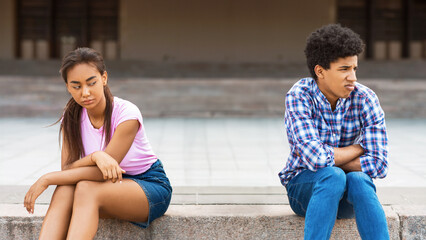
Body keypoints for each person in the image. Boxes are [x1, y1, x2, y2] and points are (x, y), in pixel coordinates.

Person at [24, 47, 172, 239]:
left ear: (104, 78)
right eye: (76, 86)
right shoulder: (71, 118)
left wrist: (47, 178)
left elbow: (103, 173)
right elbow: (68, 171)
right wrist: (96, 156)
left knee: (85, 188)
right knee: (65, 189)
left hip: (148, 185)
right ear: (68, 87)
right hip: (109, 186)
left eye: (91, 82)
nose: (85, 92)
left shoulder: (127, 114)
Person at [278, 24, 389, 239]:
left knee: (359, 180)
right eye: (344, 69)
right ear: (320, 71)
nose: (353, 77)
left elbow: (379, 164)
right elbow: (316, 160)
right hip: (304, 190)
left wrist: (330, 156)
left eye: (354, 69)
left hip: (348, 197)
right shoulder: (299, 96)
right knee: (332, 175)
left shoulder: (365, 98)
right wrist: (359, 148)